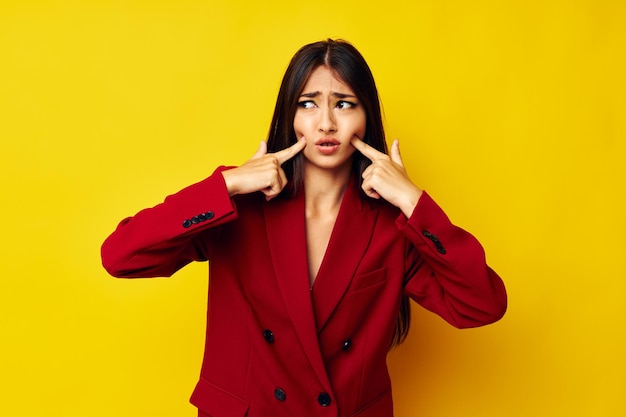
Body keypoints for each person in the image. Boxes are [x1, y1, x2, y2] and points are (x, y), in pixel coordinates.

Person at [101, 39, 507, 417]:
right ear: (289, 117)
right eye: (308, 104)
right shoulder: (239, 206)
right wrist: (226, 184)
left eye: (345, 104)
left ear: (367, 118)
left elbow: (482, 305)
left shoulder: (393, 224)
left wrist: (413, 202)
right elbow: (120, 256)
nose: (326, 123)